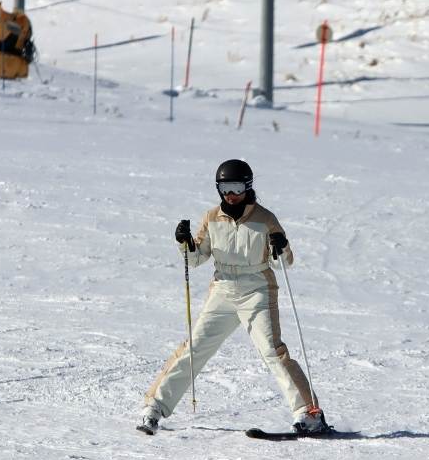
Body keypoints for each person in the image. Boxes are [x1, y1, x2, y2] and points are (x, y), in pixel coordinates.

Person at [138, 159, 328, 435]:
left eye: (237, 187)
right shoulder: (212, 217)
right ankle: (153, 407)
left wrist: (280, 246)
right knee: (194, 348)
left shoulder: (265, 219)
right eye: (225, 187)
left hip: (258, 289)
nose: (231, 194)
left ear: (248, 186)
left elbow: (284, 263)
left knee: (273, 351)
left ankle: (309, 414)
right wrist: (185, 243)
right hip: (223, 288)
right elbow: (196, 258)